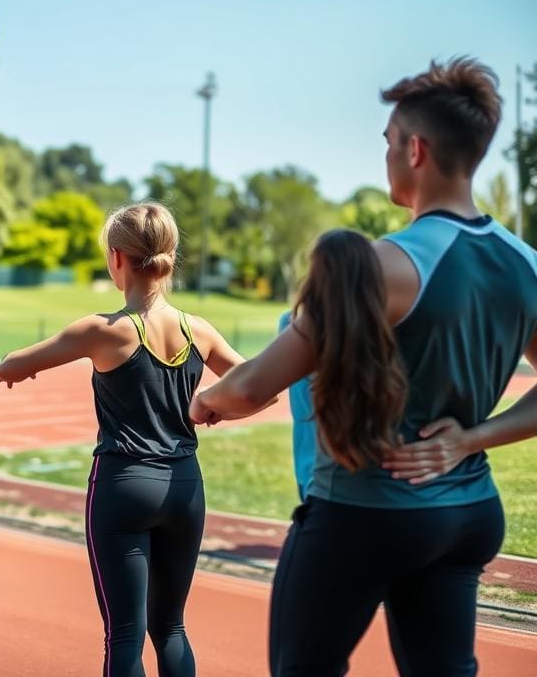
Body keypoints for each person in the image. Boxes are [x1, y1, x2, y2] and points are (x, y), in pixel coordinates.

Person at [191, 57, 537, 676]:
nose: (385, 155)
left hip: (363, 515)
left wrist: (203, 402)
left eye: (388, 142)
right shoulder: (525, 264)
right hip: (468, 515)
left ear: (416, 151)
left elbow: (250, 387)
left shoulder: (381, 266)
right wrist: (469, 440)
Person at [0, 202, 255, 677]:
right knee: (171, 627)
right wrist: (209, 405)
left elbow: (14, 364)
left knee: (125, 635)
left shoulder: (102, 331)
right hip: (184, 488)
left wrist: (6, 370)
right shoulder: (199, 331)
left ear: (117, 258)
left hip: (124, 485)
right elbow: (259, 390)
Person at [277, 311, 316, 500]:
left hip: (315, 473)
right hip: (312, 471)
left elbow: (250, 391)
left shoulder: (295, 320)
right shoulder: (294, 320)